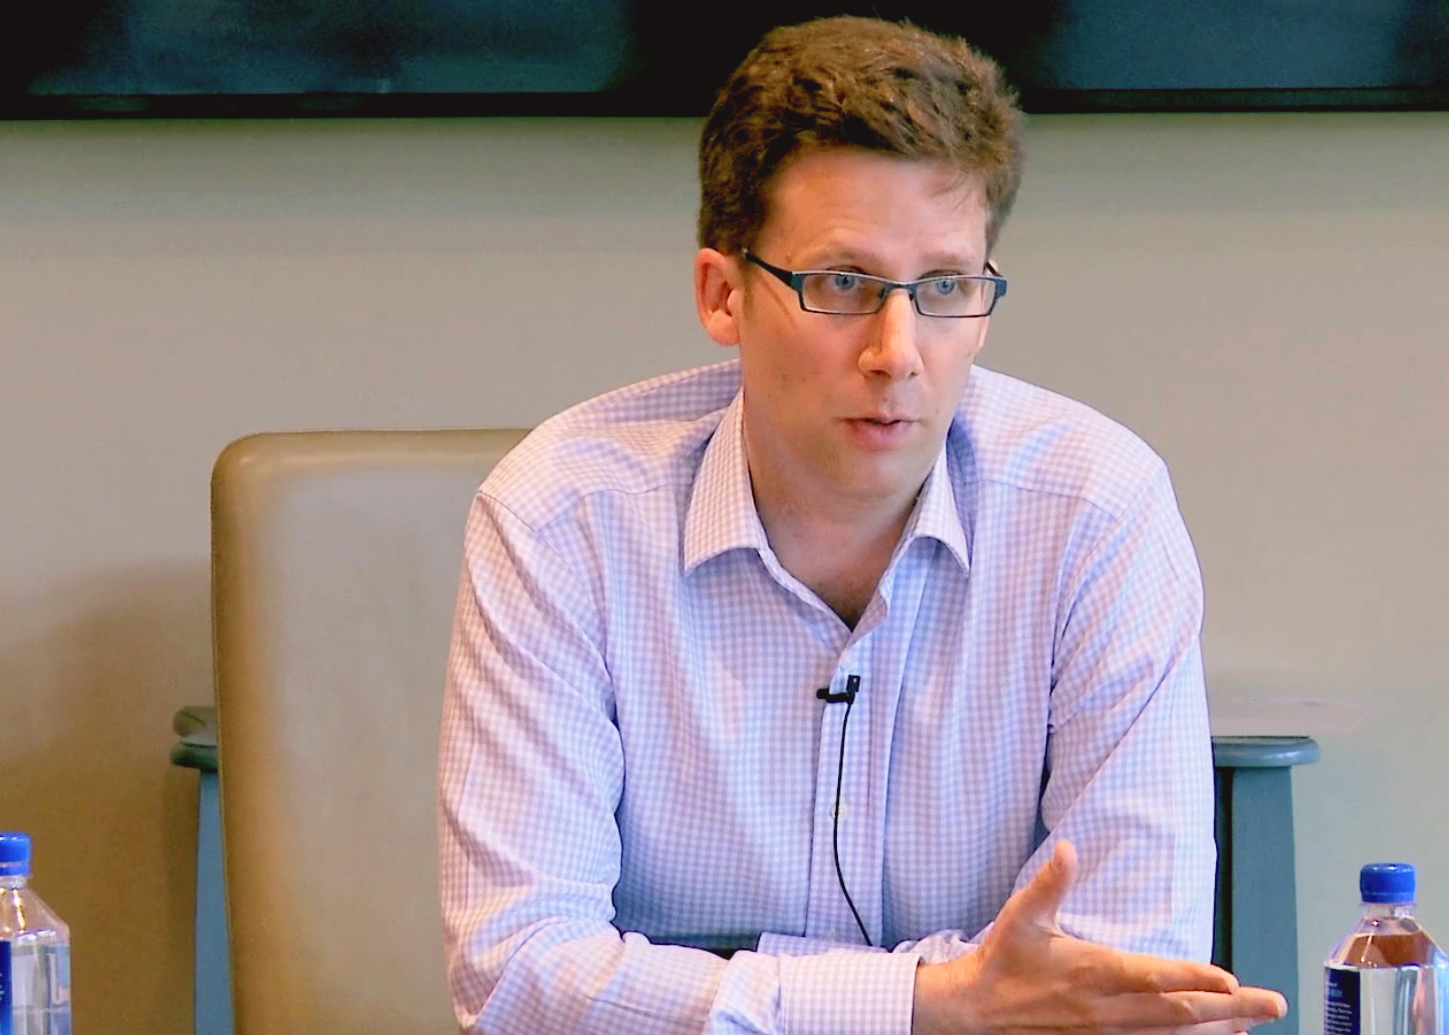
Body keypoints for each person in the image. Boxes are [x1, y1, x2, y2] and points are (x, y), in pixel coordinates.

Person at [438, 14, 1287, 1035]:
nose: (897, 352)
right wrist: (935, 1005)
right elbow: (516, 975)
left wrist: (701, 989)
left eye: (944, 287)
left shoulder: (1096, 513)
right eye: (842, 284)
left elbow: (1125, 971)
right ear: (723, 295)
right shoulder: (559, 520)